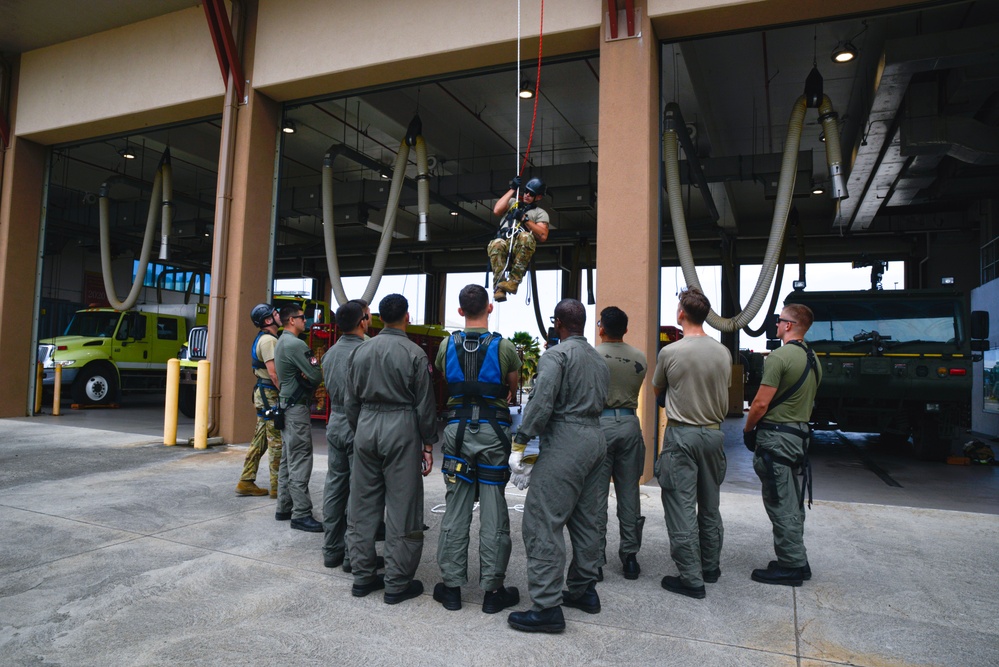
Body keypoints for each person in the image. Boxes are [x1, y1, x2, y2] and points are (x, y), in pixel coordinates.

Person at [507, 299, 609, 634]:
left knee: (543, 520)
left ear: (558, 323)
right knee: (587, 519)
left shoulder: (557, 355)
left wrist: (521, 441)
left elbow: (541, 402)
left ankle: (547, 607)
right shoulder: (598, 359)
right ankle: (584, 590)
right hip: (596, 439)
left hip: (567, 438)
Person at [432, 284, 522, 614]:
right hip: (493, 433)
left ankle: (452, 588)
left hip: (457, 433)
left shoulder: (446, 345)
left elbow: (447, 375)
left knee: (456, 508)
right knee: (494, 510)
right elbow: (511, 386)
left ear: (459, 312)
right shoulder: (505, 346)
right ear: (489, 308)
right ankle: (492, 591)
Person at [344, 294, 438, 605]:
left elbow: (350, 401)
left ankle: (362, 576)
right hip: (402, 426)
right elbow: (425, 404)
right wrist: (427, 444)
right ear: (407, 316)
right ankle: (397, 582)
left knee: (362, 504)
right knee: (403, 506)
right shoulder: (414, 353)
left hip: (367, 424)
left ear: (379, 317)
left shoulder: (361, 350)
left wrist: (362, 430)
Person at [651, 288, 732, 600]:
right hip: (714, 434)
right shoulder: (722, 352)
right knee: (710, 505)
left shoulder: (671, 353)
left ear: (681, 314)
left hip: (682, 434)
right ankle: (710, 567)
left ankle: (690, 578)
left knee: (681, 506)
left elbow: (659, 389)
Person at [743, 303, 821, 587]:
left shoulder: (779, 358)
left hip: (776, 438)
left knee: (780, 502)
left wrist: (748, 429)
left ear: (789, 325)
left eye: (779, 321)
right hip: (798, 436)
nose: (776, 325)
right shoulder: (813, 358)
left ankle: (791, 566)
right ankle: (797, 559)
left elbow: (760, 403)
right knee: (791, 500)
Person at [594, 306, 648, 581]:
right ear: (626, 329)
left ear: (601, 327)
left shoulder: (592, 356)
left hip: (600, 425)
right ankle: (630, 557)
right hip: (629, 423)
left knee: (596, 495)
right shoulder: (640, 358)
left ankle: (596, 559)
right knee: (629, 494)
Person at [320, 299, 373, 570]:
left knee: (335, 486)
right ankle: (355, 556)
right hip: (359, 423)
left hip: (335, 423)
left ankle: (331, 550)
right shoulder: (367, 351)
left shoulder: (330, 354)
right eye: (368, 315)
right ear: (362, 320)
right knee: (359, 491)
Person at [273, 304, 323, 532]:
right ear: (291, 320)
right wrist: (308, 374)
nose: (306, 321)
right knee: (301, 459)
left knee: (288, 458)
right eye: (303, 318)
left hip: (285, 406)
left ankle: (284, 506)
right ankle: (301, 513)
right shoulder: (296, 344)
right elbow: (315, 374)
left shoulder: (281, 342)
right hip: (296, 410)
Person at [236, 303, 282, 498]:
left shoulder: (264, 339)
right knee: (276, 441)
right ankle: (277, 487)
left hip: (263, 393)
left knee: (261, 439)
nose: (279, 315)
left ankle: (246, 481)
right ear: (268, 320)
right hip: (269, 393)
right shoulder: (269, 341)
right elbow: (274, 374)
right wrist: (286, 393)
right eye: (275, 313)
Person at [487, 176, 549, 303]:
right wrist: (512, 189)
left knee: (526, 237)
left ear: (538, 197)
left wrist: (524, 219)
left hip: (520, 247)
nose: (526, 195)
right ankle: (499, 286)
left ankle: (513, 281)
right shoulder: (512, 203)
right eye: (526, 191)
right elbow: (497, 210)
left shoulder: (540, 213)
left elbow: (543, 235)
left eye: (531, 194)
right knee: (496, 243)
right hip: (504, 243)